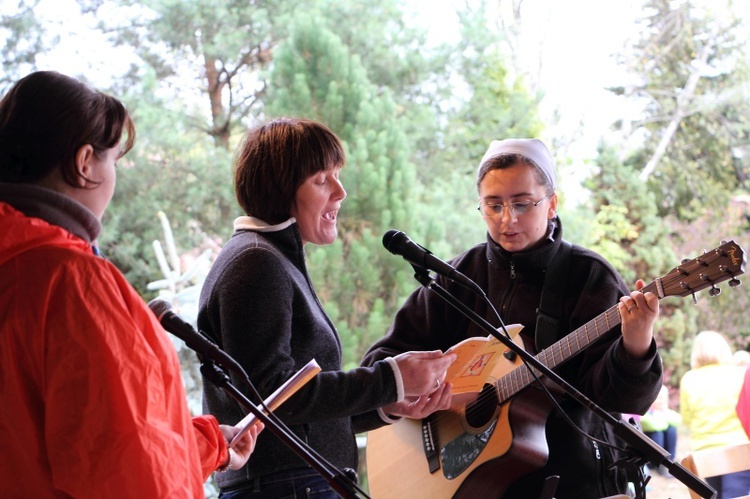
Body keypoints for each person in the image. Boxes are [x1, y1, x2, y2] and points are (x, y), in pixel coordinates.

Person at [0, 70, 262, 497]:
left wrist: (211, 443)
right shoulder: (73, 282)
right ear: (84, 163)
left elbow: (63, 443)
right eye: (114, 159)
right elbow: (126, 469)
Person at [362, 138, 664, 499]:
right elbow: (380, 364)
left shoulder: (589, 277)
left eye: (522, 204)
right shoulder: (457, 277)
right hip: (475, 486)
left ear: (551, 204)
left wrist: (636, 341)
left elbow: (623, 400)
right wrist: (420, 392)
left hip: (573, 482)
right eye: (494, 205)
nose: (508, 219)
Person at [198, 116, 455, 498]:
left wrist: (389, 404)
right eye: (322, 179)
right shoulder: (255, 262)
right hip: (286, 487)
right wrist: (391, 378)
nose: (340, 191)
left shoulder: (270, 258)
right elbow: (274, 398)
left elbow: (299, 414)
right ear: (279, 189)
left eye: (337, 175)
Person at [680, 330, 750, 498]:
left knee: (716, 495)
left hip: (705, 453)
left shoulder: (689, 379)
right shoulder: (739, 374)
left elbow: (687, 419)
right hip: (739, 449)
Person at [640, 385, 681, 475]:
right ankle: (658, 462)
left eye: (663, 398)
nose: (661, 401)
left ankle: (669, 460)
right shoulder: (647, 413)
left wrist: (663, 415)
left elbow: (678, 420)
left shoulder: (666, 412)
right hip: (652, 453)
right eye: (658, 398)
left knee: (671, 429)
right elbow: (653, 426)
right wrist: (663, 420)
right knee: (657, 433)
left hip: (665, 451)